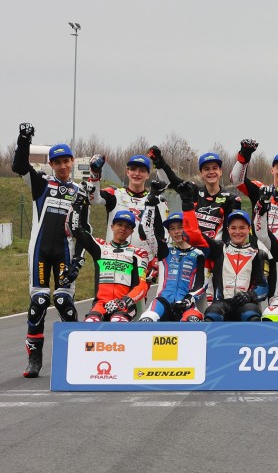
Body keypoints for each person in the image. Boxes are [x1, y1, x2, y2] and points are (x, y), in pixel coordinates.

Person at [13, 123, 85, 377]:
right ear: (52, 165)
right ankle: (34, 360)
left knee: (64, 302)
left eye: (66, 161)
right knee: (39, 302)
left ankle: (78, 358)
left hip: (65, 253)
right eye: (58, 163)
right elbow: (19, 166)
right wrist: (23, 140)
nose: (63, 166)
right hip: (40, 252)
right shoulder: (41, 184)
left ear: (72, 162)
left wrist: (78, 262)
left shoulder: (79, 193)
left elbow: (84, 232)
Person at [177, 182, 268, 322]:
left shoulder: (258, 253)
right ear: (228, 229)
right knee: (212, 313)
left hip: (246, 305)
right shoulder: (219, 249)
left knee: (251, 313)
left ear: (249, 229)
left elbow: (263, 287)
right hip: (222, 304)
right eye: (233, 228)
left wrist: (249, 295)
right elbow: (192, 236)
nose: (237, 232)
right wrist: (187, 204)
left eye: (242, 228)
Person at [66, 198, 149, 323]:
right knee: (90, 322)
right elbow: (77, 230)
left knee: (117, 321)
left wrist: (124, 301)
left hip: (125, 306)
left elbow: (142, 286)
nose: (123, 229)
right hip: (101, 304)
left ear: (131, 231)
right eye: (119, 225)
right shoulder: (100, 247)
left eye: (127, 227)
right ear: (112, 227)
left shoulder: (139, 253)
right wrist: (77, 205)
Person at [138, 190, 206, 322]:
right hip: (163, 303)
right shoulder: (164, 251)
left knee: (193, 320)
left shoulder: (199, 254)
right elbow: (146, 232)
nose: (177, 232)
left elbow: (201, 284)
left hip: (187, 304)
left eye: (180, 227)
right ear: (169, 232)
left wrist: (188, 300)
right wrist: (150, 206)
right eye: (172, 228)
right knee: (147, 319)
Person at [149, 146, 242, 241]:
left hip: (217, 248)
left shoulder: (230, 198)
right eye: (206, 169)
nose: (211, 172)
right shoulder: (194, 191)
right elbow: (173, 181)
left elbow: (233, 230)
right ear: (201, 173)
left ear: (220, 171)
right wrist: (159, 162)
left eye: (215, 168)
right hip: (193, 247)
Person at [87, 153, 167, 258]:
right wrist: (95, 173)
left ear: (148, 175)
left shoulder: (157, 201)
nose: (137, 173)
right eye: (133, 169)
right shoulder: (114, 193)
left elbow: (164, 235)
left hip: (144, 261)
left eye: (142, 170)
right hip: (114, 259)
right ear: (127, 172)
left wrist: (158, 260)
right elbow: (94, 199)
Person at [229, 138, 278, 235]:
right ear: (272, 170)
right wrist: (244, 156)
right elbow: (236, 180)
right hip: (258, 243)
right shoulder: (260, 189)